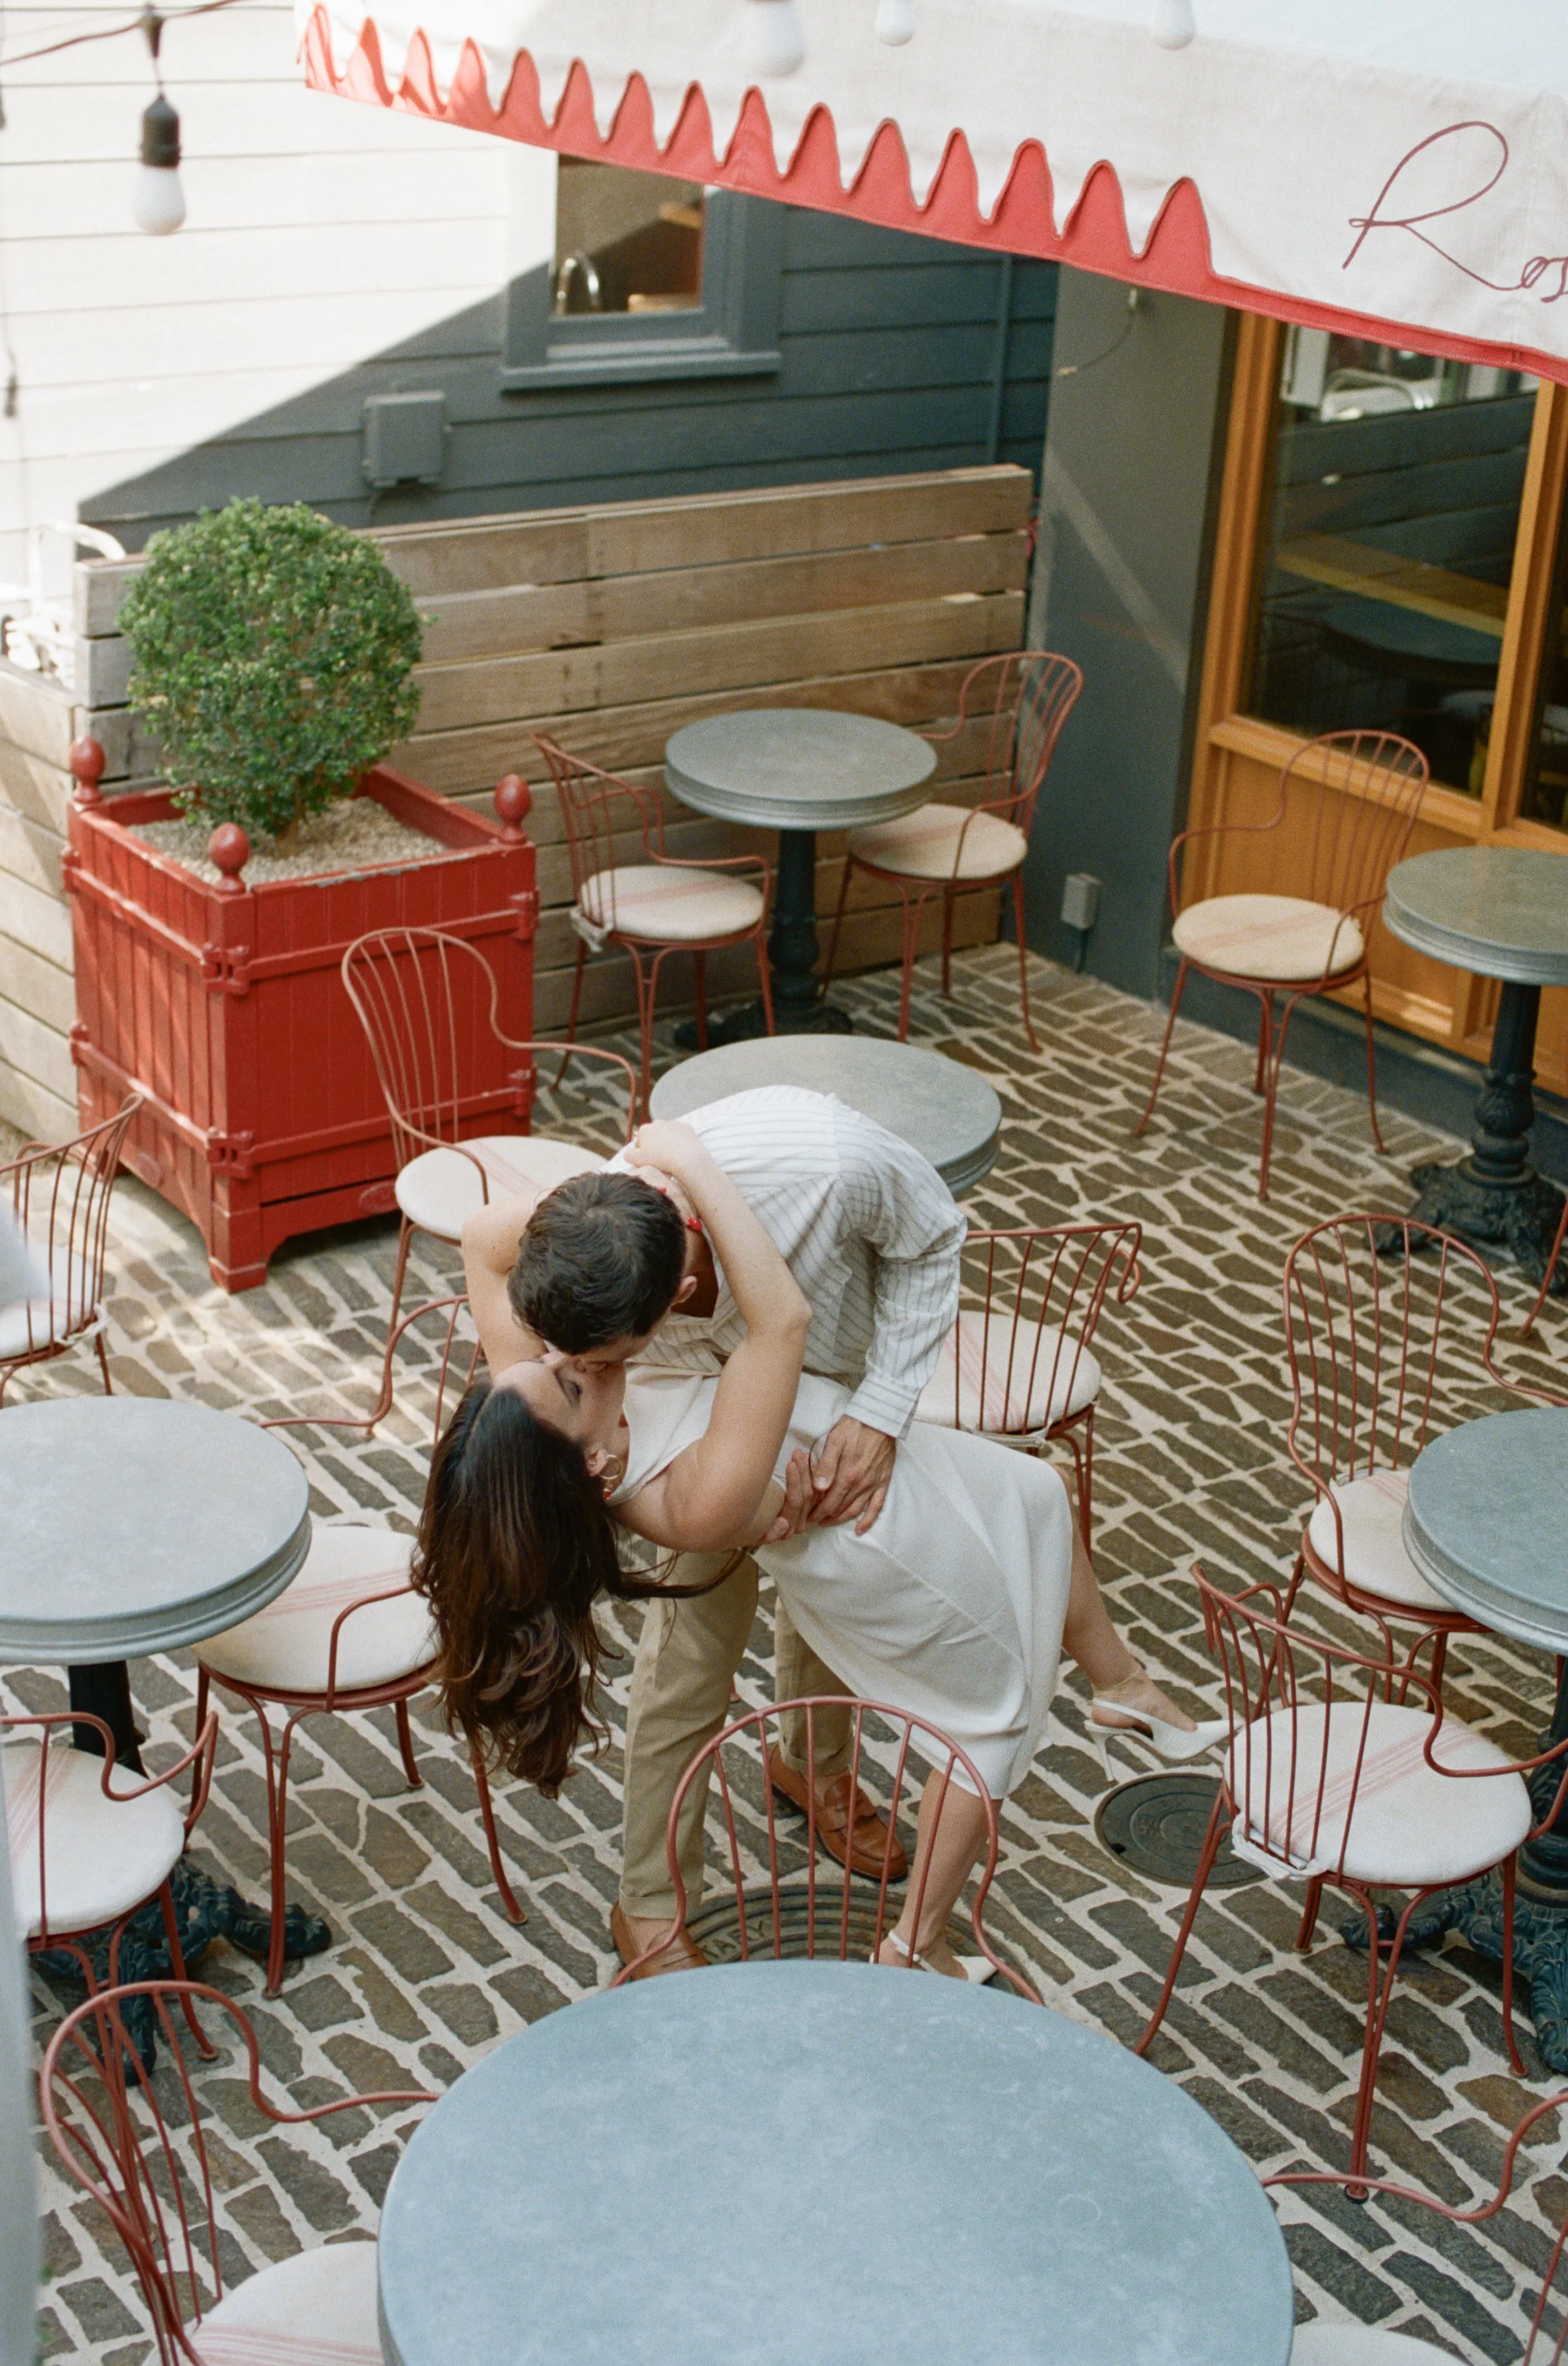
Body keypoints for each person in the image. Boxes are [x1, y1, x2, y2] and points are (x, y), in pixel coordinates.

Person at [435, 1113, 1221, 1979]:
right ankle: (910, 1947)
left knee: (1042, 1491)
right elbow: (780, 1326)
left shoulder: (540, 1409)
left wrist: (613, 1213)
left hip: (887, 1463)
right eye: (564, 1372)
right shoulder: (688, 1499)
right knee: (990, 1723)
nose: (556, 1352)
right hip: (884, 1542)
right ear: (585, 1459)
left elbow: (480, 1239)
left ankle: (1120, 1684)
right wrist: (689, 1163)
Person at [462, 1083, 966, 1975]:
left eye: (599, 1364)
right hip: (709, 1428)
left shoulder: (827, 1169)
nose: (569, 1373)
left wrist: (882, 1410)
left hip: (834, 1380)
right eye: (570, 1368)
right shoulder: (596, 1230)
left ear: (681, 1295)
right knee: (692, 1652)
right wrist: (592, 1422)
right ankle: (648, 1907)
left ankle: (812, 1764)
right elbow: (481, 1240)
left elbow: (932, 1238)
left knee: (834, 1600)